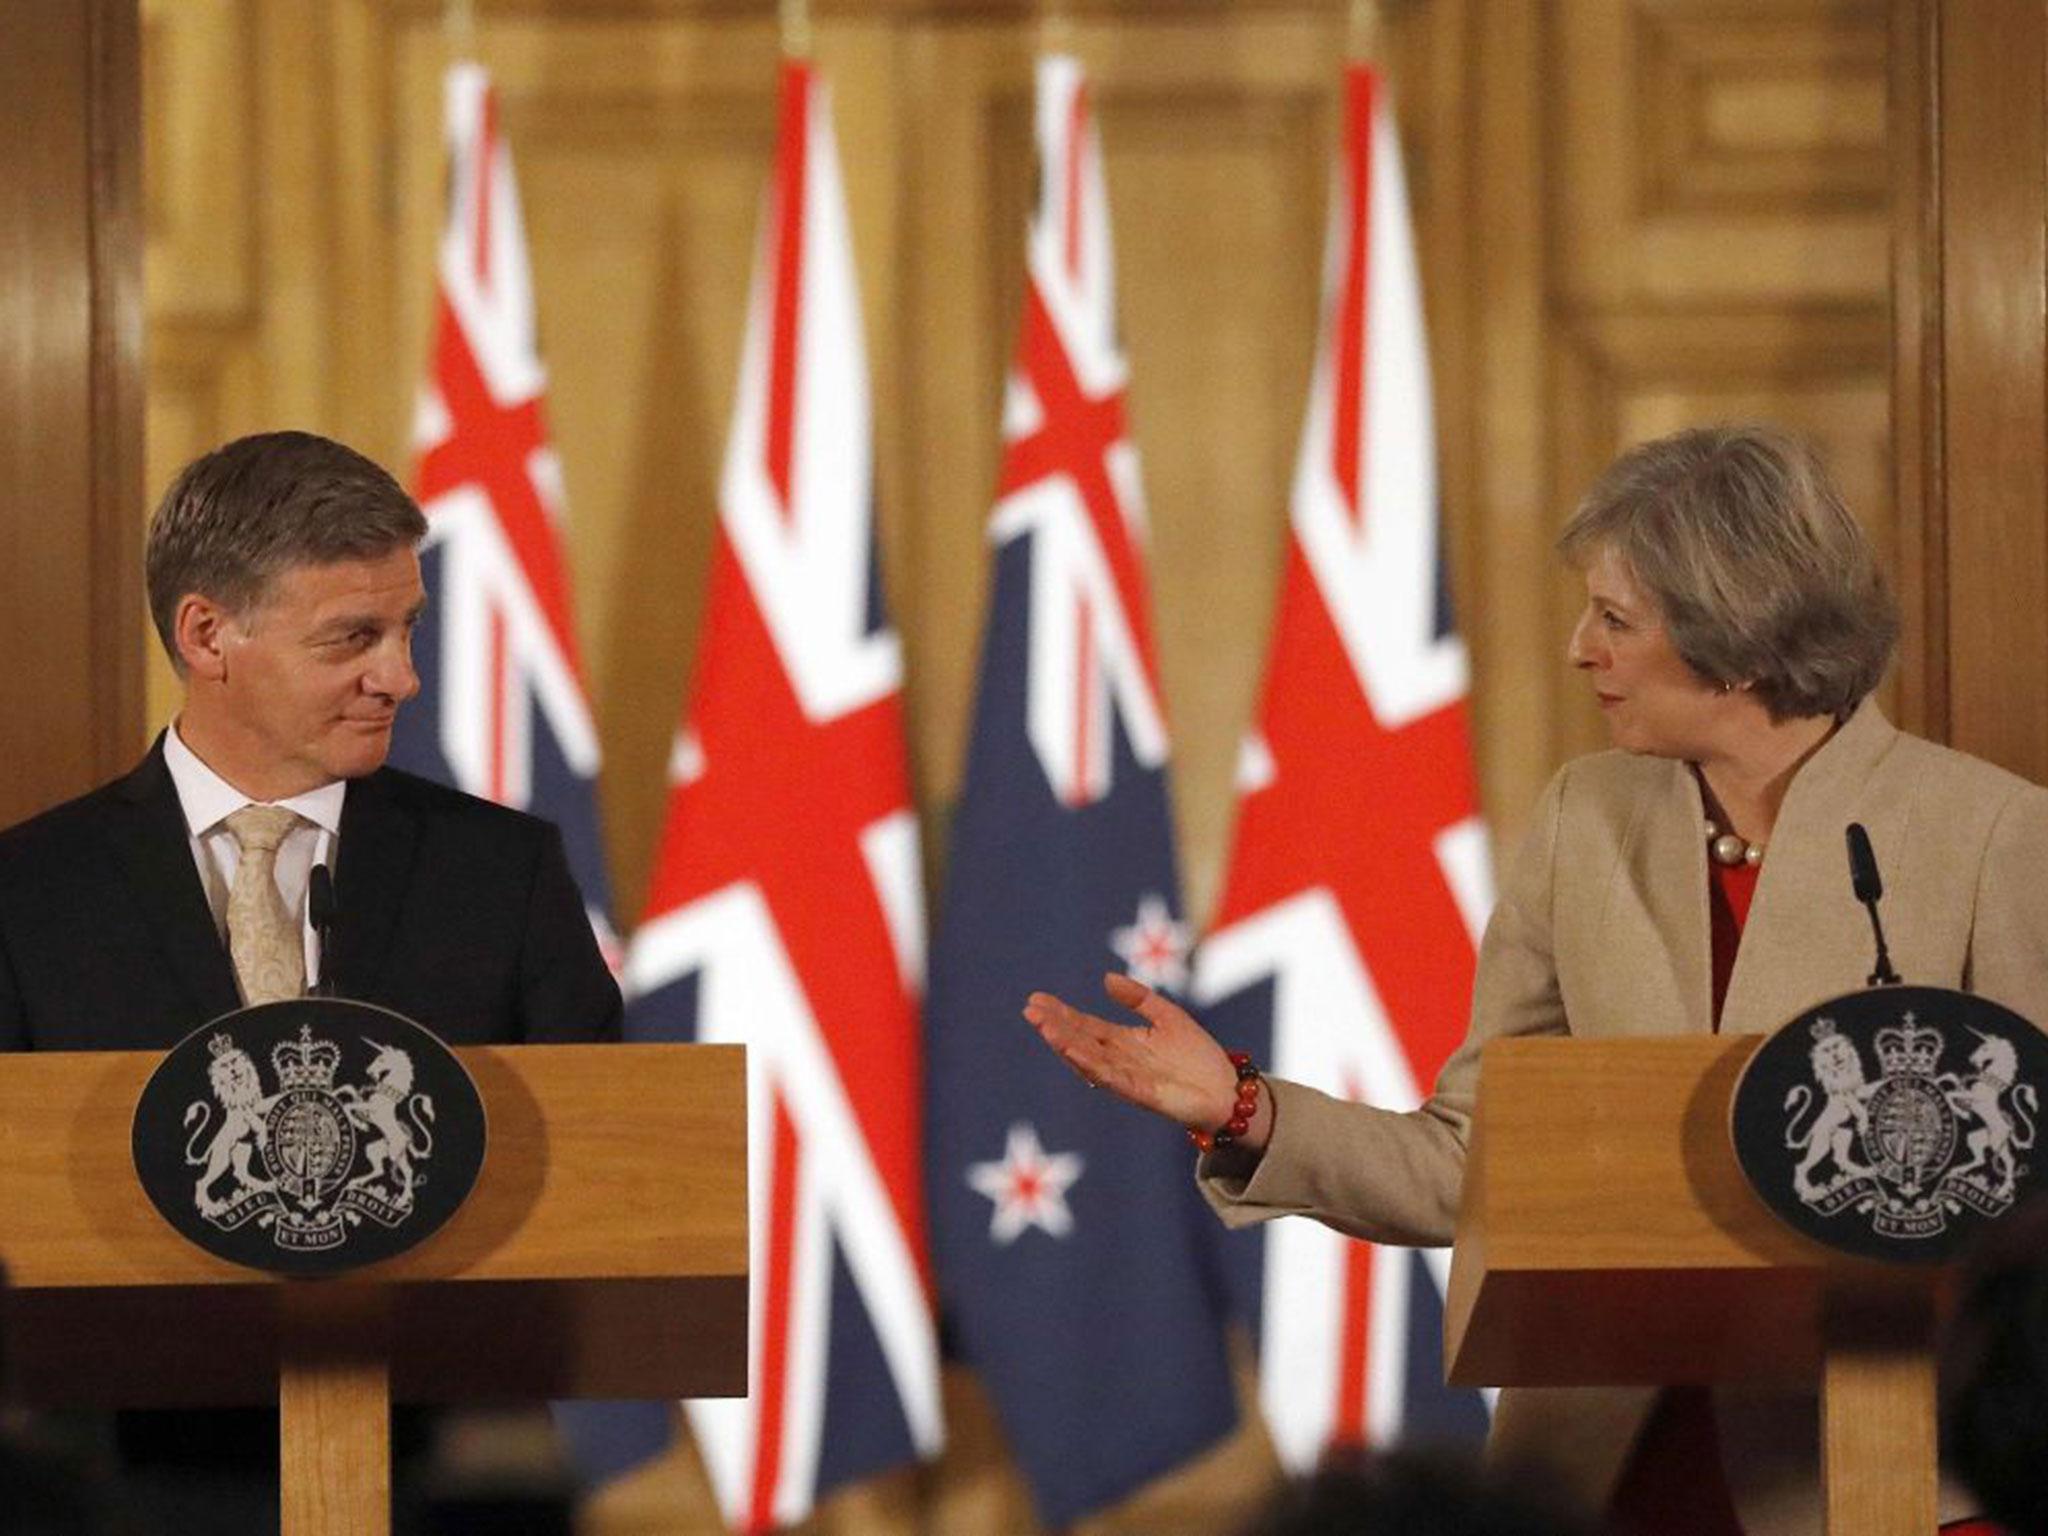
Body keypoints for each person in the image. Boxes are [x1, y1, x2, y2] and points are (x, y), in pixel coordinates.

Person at [1024, 424, 2048, 1536]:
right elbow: (1480, 1162)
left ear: (1738, 640)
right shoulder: (1582, 821)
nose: (1578, 648)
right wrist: (1243, 1107)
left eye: (1613, 619)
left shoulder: (1987, 836)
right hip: (1599, 1471)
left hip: (1878, 1472)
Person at [0, 430, 622, 1533]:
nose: (402, 675)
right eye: (355, 638)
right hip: (113, 1487)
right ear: (208, 636)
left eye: (407, 629)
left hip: (439, 1482)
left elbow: (608, 1170)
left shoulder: (500, 872)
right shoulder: (29, 891)